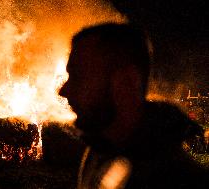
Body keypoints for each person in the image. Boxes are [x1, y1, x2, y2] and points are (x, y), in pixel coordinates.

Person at [59, 23, 207, 189]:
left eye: (78, 76)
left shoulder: (179, 180)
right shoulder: (98, 152)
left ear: (126, 82)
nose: (63, 91)